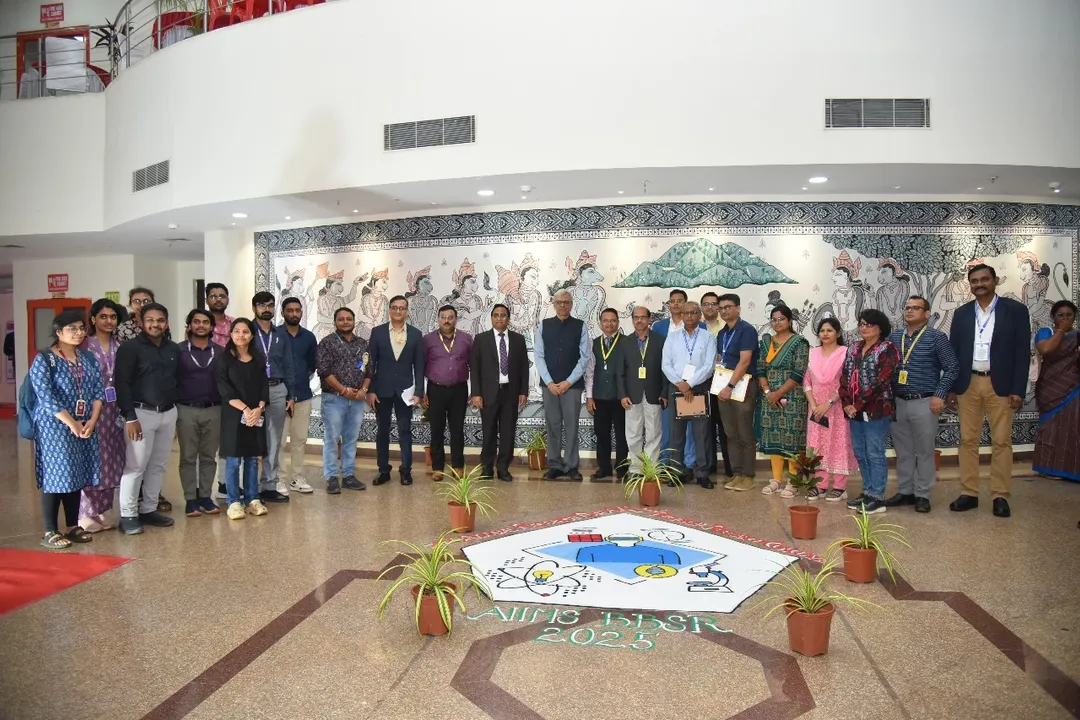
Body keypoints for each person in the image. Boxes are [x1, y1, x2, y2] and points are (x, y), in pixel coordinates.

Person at [946, 264, 1031, 518]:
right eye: (974, 281)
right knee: (967, 441)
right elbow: (953, 352)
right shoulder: (961, 313)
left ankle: (1000, 495)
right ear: (970, 285)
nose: (979, 284)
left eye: (984, 279)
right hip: (968, 384)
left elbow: (1021, 352)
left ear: (995, 281)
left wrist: (1018, 388)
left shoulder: (1015, 310)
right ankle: (969, 493)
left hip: (1001, 385)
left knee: (1002, 442)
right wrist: (951, 387)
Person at [30, 311, 104, 549]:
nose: (78, 332)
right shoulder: (45, 359)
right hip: (56, 427)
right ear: (58, 332)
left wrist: (92, 420)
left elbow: (97, 391)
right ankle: (50, 531)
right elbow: (46, 398)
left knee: (76, 473)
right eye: (71, 328)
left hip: (84, 425)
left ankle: (72, 526)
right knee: (57, 476)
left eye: (81, 328)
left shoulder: (88, 358)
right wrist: (71, 422)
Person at [884, 296, 959, 513]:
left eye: (915, 308)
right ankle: (905, 492)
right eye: (907, 308)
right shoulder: (894, 337)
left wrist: (939, 394)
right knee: (903, 451)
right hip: (898, 402)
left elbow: (952, 367)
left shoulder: (937, 337)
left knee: (925, 451)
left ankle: (923, 494)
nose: (909, 311)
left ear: (926, 314)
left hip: (925, 401)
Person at [114, 302, 179, 535]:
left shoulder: (173, 349)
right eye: (150, 320)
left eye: (160, 320)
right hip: (140, 414)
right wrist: (129, 417)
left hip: (168, 413)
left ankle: (149, 509)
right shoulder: (129, 349)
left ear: (167, 323)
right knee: (136, 465)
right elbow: (121, 384)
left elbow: (177, 380)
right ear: (141, 322)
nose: (155, 324)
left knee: (159, 464)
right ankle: (128, 514)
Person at [839, 309, 900, 514]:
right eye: (862, 324)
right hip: (853, 410)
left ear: (880, 328)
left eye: (869, 324)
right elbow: (844, 377)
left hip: (877, 409)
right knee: (861, 452)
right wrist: (848, 402)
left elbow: (882, 381)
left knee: (875, 453)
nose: (864, 328)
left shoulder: (887, 349)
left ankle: (877, 497)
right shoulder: (854, 348)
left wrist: (859, 404)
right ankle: (867, 491)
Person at [78, 298, 125, 532]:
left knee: (112, 460)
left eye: (113, 317)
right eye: (103, 316)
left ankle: (104, 510)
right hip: (91, 410)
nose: (108, 321)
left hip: (115, 411)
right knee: (92, 459)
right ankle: (86, 513)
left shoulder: (121, 346)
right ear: (93, 319)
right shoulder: (84, 346)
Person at [367, 295, 425, 486]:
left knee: (405, 430)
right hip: (382, 390)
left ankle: (406, 471)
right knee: (382, 431)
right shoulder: (377, 332)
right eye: (395, 307)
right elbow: (371, 365)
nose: (398, 311)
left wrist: (419, 392)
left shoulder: (416, 334)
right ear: (389, 310)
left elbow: (419, 366)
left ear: (407, 311)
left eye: (402, 308)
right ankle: (383, 470)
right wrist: (371, 390)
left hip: (406, 391)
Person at [216, 318, 270, 520]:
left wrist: (259, 408)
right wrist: (246, 409)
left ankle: (252, 499)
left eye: (245, 331)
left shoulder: (258, 359)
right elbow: (224, 389)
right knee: (233, 460)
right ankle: (233, 502)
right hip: (233, 415)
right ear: (231, 334)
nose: (241, 335)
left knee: (252, 458)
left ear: (252, 335)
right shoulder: (224, 359)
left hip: (255, 414)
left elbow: (264, 386)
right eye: (237, 331)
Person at [534, 289, 589, 481]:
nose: (563, 305)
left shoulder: (580, 326)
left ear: (571, 304)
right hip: (549, 386)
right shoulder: (543, 325)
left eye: (566, 302)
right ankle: (555, 465)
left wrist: (568, 382)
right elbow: (539, 356)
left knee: (572, 425)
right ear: (554, 304)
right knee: (553, 425)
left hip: (572, 386)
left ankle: (572, 465)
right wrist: (549, 382)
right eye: (559, 302)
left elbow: (584, 358)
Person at [470, 304, 529, 482]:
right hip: (488, 394)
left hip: (510, 393)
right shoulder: (481, 339)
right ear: (491, 318)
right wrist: (476, 393)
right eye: (496, 315)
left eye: (503, 315)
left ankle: (503, 468)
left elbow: (524, 367)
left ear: (508, 318)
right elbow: (475, 368)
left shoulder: (518, 339)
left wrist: (523, 391)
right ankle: (487, 468)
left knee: (507, 432)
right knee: (488, 432)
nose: (499, 318)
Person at [756, 305, 810, 496]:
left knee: (793, 437)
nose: (777, 323)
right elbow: (760, 369)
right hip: (769, 397)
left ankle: (793, 480)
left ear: (789, 321)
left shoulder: (799, 342)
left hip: (793, 397)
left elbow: (798, 372)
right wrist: (768, 391)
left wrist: (779, 393)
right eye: (774, 319)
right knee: (773, 436)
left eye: (781, 319)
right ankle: (776, 479)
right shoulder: (765, 342)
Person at [660, 301, 715, 488]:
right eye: (686, 313)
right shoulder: (672, 338)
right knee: (676, 434)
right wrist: (680, 384)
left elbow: (709, 366)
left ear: (700, 315)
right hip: (677, 389)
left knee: (701, 433)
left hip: (699, 388)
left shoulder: (708, 337)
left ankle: (702, 473)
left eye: (693, 312)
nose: (690, 316)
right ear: (681, 315)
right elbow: (665, 365)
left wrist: (689, 383)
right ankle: (676, 472)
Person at [801, 318, 857, 501]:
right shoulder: (812, 353)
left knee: (839, 445)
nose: (825, 333)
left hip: (837, 406)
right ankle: (820, 485)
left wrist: (829, 403)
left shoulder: (846, 353)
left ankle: (840, 487)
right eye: (822, 330)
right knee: (818, 446)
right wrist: (814, 405)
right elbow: (807, 382)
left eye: (830, 330)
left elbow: (846, 382)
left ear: (838, 333)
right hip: (816, 409)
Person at [316, 307, 371, 493]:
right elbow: (324, 371)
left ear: (354, 321)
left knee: (351, 439)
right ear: (335, 322)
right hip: (334, 399)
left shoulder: (363, 344)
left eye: (349, 318)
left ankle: (348, 475)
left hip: (357, 400)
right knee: (331, 439)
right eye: (341, 319)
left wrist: (363, 390)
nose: (345, 322)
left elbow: (369, 370)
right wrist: (343, 390)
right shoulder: (327, 343)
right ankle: (331, 477)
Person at [175, 309, 223, 517]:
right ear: (190, 325)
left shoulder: (221, 352)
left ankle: (205, 496)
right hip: (185, 409)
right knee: (187, 457)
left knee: (208, 456)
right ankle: (190, 499)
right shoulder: (177, 351)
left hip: (214, 409)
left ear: (212, 327)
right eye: (197, 322)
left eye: (205, 322)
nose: (201, 325)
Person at [251, 291, 297, 503]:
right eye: (261, 305)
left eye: (270, 305)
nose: (266, 309)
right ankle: (249, 487)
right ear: (254, 309)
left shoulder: (281, 334)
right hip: (252, 391)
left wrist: (291, 394)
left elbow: (289, 365)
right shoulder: (246, 331)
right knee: (250, 439)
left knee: (273, 440)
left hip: (278, 390)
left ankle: (269, 485)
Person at [715, 294, 760, 492]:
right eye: (721, 308)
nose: (724, 311)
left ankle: (748, 476)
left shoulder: (747, 330)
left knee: (744, 432)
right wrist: (721, 385)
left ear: (738, 308)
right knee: (730, 433)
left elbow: (745, 361)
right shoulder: (722, 333)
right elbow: (720, 358)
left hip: (742, 386)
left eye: (728, 307)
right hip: (723, 387)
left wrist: (730, 386)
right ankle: (737, 473)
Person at [422, 305, 473, 479]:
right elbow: (421, 367)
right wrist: (422, 392)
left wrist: (473, 392)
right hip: (435, 389)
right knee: (437, 429)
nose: (446, 320)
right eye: (443, 317)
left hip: (459, 389)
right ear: (438, 319)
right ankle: (437, 467)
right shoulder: (428, 340)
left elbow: (472, 366)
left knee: (457, 429)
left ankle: (458, 465)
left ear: (455, 319)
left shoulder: (466, 339)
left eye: (450, 317)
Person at [1032, 300, 1079, 482]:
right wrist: (1061, 330)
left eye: (1069, 315)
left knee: (1072, 428)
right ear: (1053, 317)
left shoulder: (1077, 335)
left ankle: (1070, 469)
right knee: (1050, 428)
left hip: (1073, 387)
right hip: (1050, 388)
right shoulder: (1047, 332)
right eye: (1061, 315)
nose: (1065, 318)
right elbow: (1045, 349)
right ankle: (1047, 468)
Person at [617, 306, 667, 475]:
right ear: (632, 320)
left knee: (654, 432)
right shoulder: (624, 342)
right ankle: (636, 469)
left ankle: (651, 469)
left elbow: (665, 369)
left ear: (649, 319)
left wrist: (664, 392)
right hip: (632, 395)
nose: (639, 320)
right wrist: (622, 394)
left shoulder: (660, 340)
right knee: (633, 433)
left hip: (654, 394)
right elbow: (620, 371)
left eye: (643, 317)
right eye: (636, 317)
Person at [653, 289, 695, 468]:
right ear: (668, 304)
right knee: (668, 426)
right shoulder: (659, 326)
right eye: (672, 301)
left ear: (686, 304)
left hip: (691, 383)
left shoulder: (698, 326)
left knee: (690, 428)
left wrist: (688, 383)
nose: (676, 303)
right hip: (667, 382)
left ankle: (689, 463)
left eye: (680, 300)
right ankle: (665, 463)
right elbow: (658, 358)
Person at [585, 308, 629, 480]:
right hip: (600, 397)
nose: (609, 323)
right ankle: (603, 468)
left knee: (621, 434)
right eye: (605, 320)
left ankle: (622, 468)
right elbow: (589, 372)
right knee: (601, 434)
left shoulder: (626, 342)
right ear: (600, 323)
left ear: (618, 322)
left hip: (621, 397)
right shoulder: (594, 343)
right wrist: (589, 396)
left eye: (612, 320)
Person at [281, 296, 318, 493]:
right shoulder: (276, 335)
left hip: (303, 394)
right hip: (279, 397)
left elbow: (312, 365)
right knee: (278, 441)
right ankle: (278, 479)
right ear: (283, 312)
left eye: (297, 310)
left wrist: (299, 379)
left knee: (299, 439)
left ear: (302, 312)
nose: (294, 313)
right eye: (290, 310)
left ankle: (296, 478)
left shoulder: (309, 337)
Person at [700, 291, 733, 479]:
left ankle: (730, 467)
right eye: (706, 304)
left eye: (714, 304)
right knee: (705, 426)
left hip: (722, 382)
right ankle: (709, 465)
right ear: (701, 308)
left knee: (726, 425)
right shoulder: (697, 328)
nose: (710, 307)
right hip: (702, 382)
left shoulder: (727, 328)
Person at [205, 283, 236, 348]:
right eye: (213, 297)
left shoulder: (235, 323)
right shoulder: (199, 325)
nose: (218, 300)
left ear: (228, 300)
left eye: (222, 296)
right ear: (206, 301)